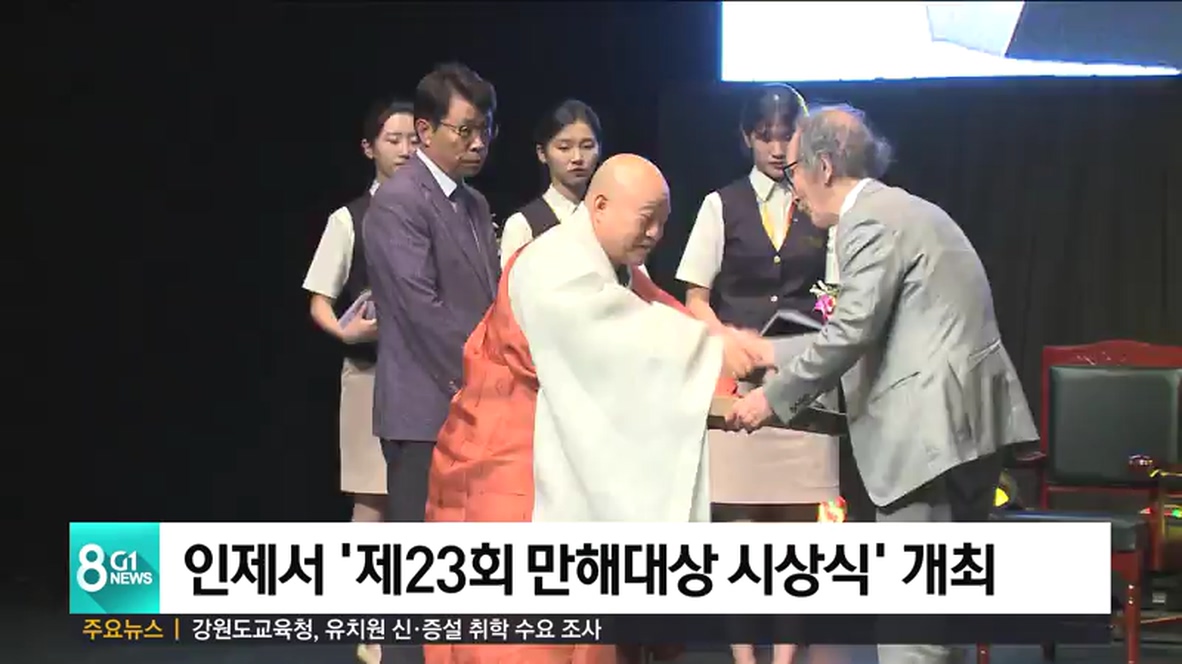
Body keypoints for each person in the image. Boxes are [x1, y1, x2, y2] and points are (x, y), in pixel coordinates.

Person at [423, 154, 773, 664]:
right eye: (646, 218)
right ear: (601, 205)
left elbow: (661, 313)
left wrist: (727, 357)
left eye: (663, 221)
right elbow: (623, 337)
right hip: (512, 457)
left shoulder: (615, 266)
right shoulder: (551, 264)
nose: (655, 233)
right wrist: (714, 353)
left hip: (558, 451)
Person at [726, 105, 1037, 664]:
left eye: (794, 171)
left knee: (910, 632)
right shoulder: (907, 210)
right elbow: (880, 331)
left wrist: (770, 400)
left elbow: (853, 332)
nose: (792, 187)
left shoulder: (866, 220)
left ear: (823, 167)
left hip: (927, 440)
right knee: (940, 620)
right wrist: (770, 353)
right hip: (967, 432)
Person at [675, 83, 833, 664]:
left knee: (796, 535)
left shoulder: (822, 203)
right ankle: (744, 658)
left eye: (787, 135)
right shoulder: (721, 205)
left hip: (804, 383)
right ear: (747, 138)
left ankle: (786, 659)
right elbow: (694, 297)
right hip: (736, 386)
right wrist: (724, 340)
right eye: (765, 137)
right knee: (737, 528)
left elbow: (841, 294)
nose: (777, 148)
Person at [302, 97, 417, 664]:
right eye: (393, 139)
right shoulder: (350, 219)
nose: (405, 149)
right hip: (371, 374)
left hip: (428, 377)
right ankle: (369, 625)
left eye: (413, 138)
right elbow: (319, 299)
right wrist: (347, 333)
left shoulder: (437, 214)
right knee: (374, 502)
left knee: (422, 502)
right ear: (370, 148)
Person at [362, 62, 499, 528]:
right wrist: (482, 380)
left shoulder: (474, 202)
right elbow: (421, 310)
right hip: (424, 409)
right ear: (425, 130)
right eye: (465, 130)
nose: (478, 143)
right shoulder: (398, 201)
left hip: (478, 407)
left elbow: (491, 299)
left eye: (485, 130)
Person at [498, 99, 603, 267]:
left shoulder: (609, 216)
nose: (577, 158)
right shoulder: (523, 225)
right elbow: (510, 283)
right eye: (564, 148)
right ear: (542, 153)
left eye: (587, 146)